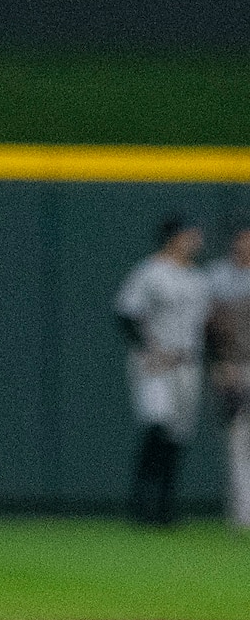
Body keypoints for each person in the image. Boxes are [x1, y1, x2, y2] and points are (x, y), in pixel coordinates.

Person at [116, 217, 210, 527]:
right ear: (173, 237)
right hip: (155, 364)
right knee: (156, 425)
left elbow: (207, 326)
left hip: (187, 363)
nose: (195, 241)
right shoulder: (150, 271)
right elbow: (126, 313)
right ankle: (141, 503)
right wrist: (148, 349)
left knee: (177, 436)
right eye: (189, 235)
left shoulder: (198, 278)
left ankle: (165, 507)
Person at [206, 228, 250, 530]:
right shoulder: (217, 277)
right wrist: (218, 363)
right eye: (242, 241)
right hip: (233, 368)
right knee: (238, 442)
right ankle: (242, 512)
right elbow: (208, 328)